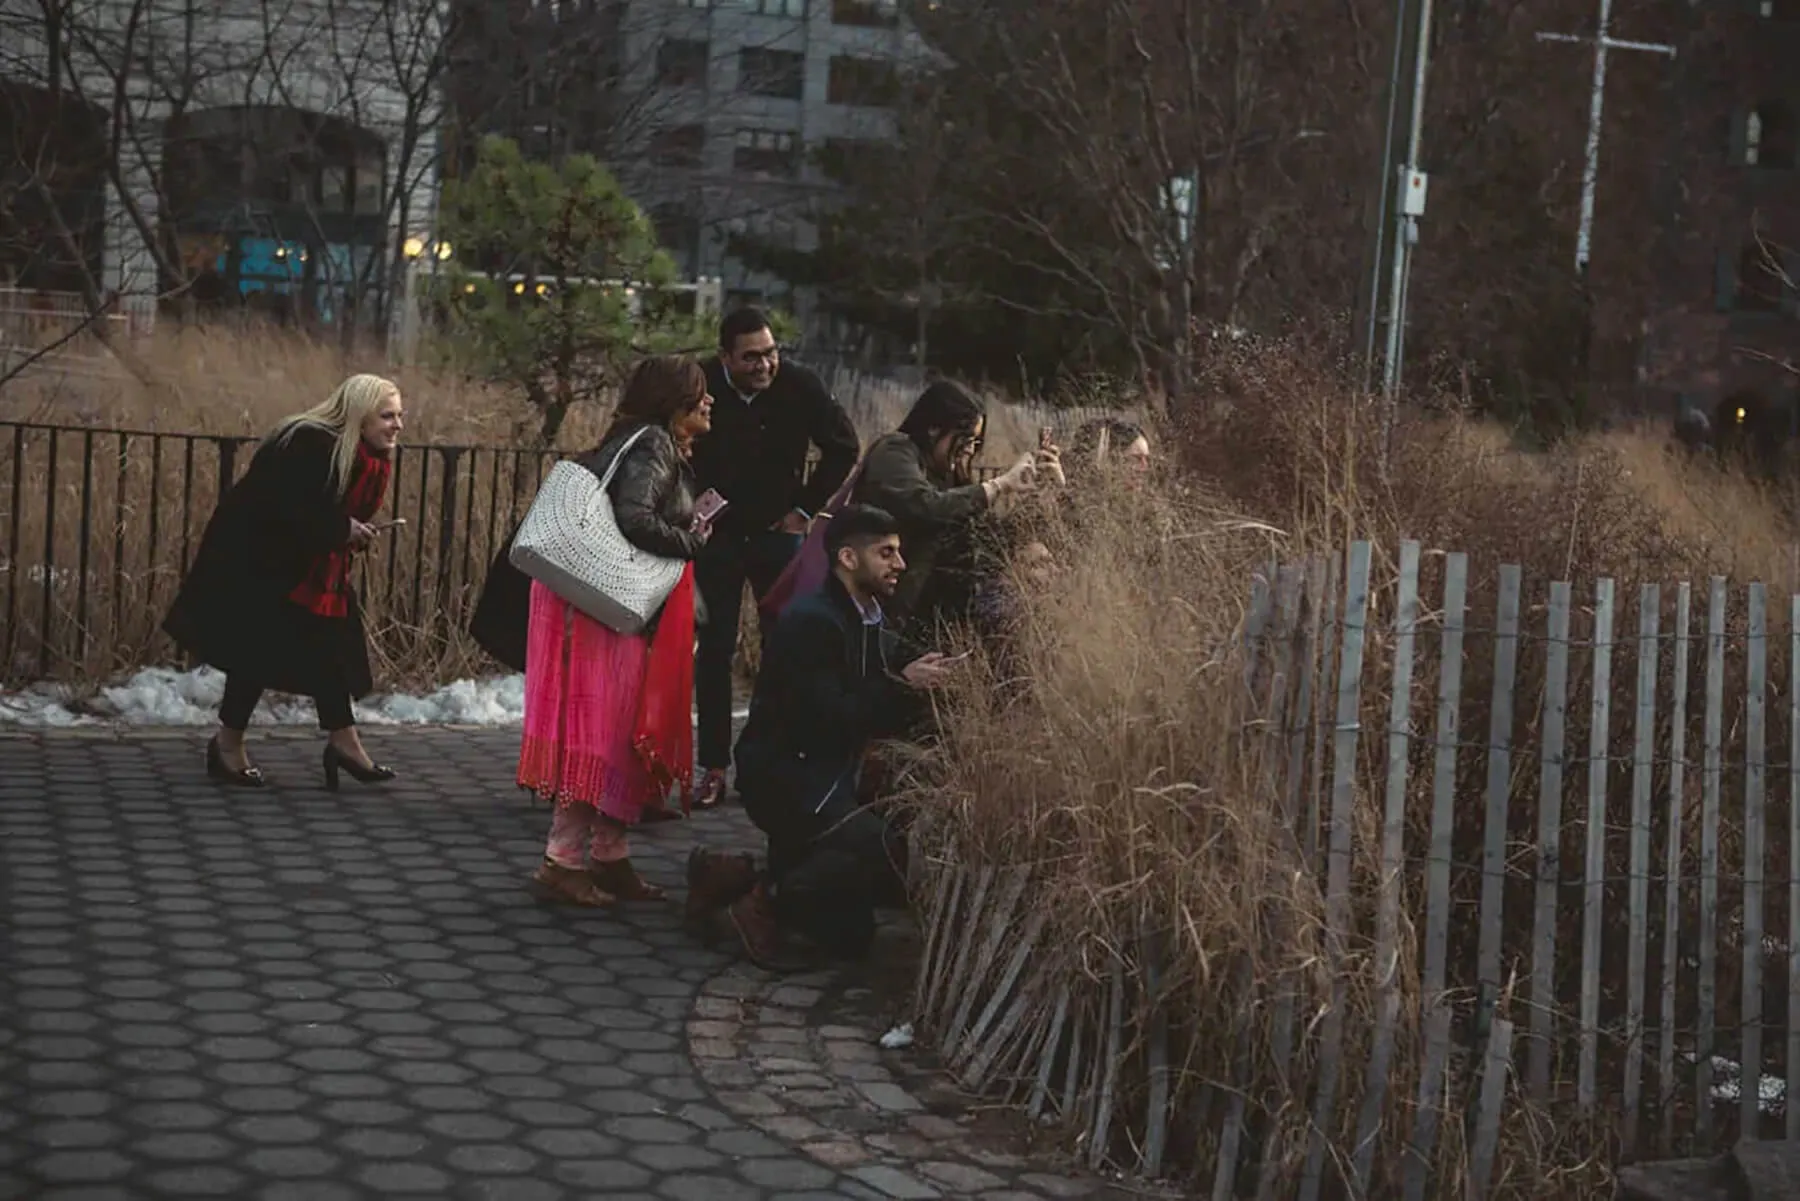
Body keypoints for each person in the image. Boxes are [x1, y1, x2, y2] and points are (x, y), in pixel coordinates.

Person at [686, 505, 960, 967]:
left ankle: (725, 874)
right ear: (848, 559)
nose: (900, 564)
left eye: (898, 552)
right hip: (786, 776)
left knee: (850, 938)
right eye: (886, 553)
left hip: (828, 772)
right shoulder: (813, 620)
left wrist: (924, 679)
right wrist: (902, 685)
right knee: (879, 848)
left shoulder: (869, 615)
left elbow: (874, 690)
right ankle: (762, 902)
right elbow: (826, 717)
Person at [521, 356, 716, 907]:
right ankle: (562, 859)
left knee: (618, 730)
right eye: (699, 392)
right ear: (674, 400)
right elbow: (635, 518)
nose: (709, 401)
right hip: (605, 612)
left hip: (600, 606)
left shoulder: (644, 441)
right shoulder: (652, 443)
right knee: (603, 732)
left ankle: (610, 854)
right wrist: (693, 542)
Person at [163, 374, 403, 789]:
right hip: (256, 562)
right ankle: (229, 745)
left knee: (328, 646)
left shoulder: (364, 456)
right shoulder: (308, 443)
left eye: (399, 415)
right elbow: (284, 507)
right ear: (359, 415)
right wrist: (341, 528)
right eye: (387, 416)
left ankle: (343, 743)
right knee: (258, 650)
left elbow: (320, 514)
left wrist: (349, 531)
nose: (397, 425)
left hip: (305, 567)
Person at [688, 307, 861, 811]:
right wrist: (692, 506)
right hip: (717, 539)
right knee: (714, 653)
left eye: (771, 353)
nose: (764, 365)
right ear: (725, 357)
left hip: (776, 536)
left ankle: (768, 760)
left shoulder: (800, 386)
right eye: (750, 357)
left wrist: (805, 508)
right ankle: (712, 766)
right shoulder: (699, 384)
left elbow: (844, 447)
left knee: (786, 648)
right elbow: (674, 444)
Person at [852, 381, 1039, 638]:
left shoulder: (948, 476)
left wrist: (1042, 490)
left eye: (975, 442)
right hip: (885, 611)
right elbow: (925, 506)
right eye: (965, 439)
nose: (969, 449)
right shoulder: (894, 452)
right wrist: (999, 485)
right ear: (934, 429)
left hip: (931, 618)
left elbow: (990, 539)